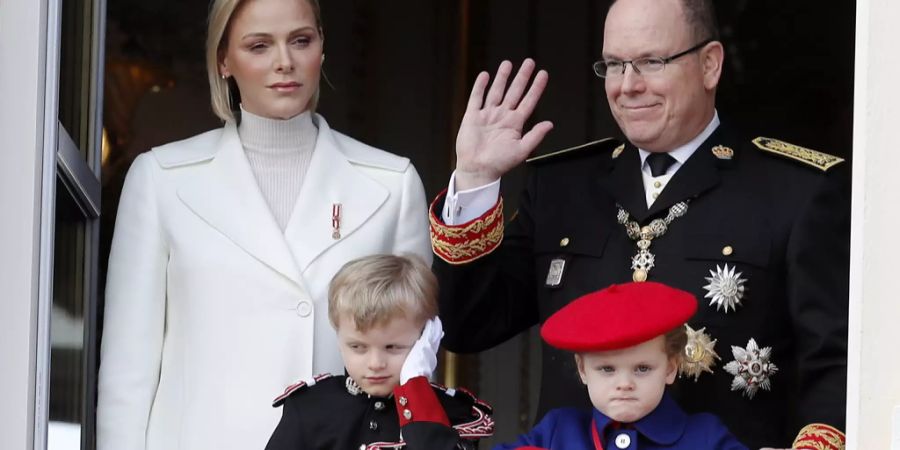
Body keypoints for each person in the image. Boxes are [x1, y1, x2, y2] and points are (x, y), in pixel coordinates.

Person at [428, 0, 849, 448]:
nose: (628, 86)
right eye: (614, 65)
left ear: (709, 65)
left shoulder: (793, 191)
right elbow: (468, 325)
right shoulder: (561, 186)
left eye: (651, 61)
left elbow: (837, 363)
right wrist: (475, 179)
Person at [97, 0, 431, 448]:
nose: (284, 62)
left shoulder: (393, 185)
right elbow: (128, 371)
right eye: (259, 45)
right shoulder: (161, 179)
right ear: (223, 60)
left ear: (321, 48)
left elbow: (414, 361)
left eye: (301, 40)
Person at [265, 254, 493, 449]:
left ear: (426, 338)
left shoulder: (452, 412)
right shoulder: (310, 406)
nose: (375, 363)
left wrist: (415, 387)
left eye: (393, 347)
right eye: (358, 347)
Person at [496, 282, 747, 450]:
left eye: (642, 368)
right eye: (607, 369)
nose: (625, 384)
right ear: (582, 369)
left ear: (671, 367)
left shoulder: (705, 436)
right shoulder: (558, 430)